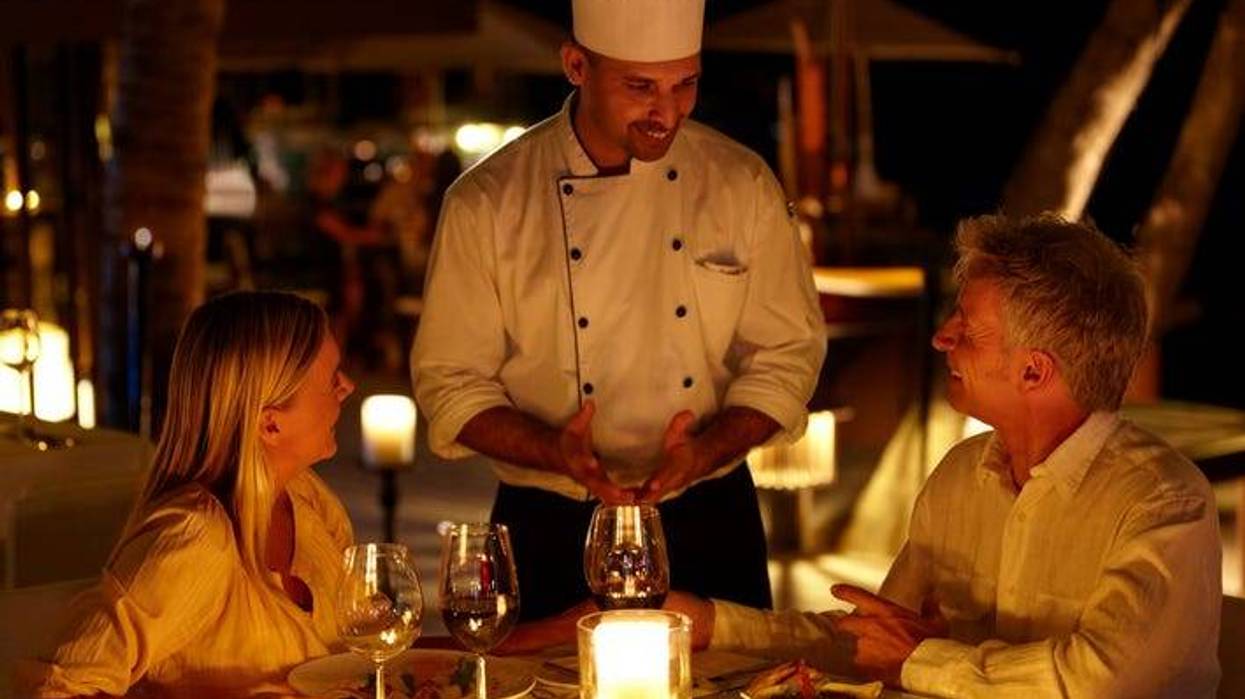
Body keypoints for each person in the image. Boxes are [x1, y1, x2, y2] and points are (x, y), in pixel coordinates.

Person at [501, 214, 1222, 698]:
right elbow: (873, 642)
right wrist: (713, 622)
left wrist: (920, 659)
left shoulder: (1159, 503)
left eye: (964, 328)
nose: (940, 339)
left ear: (1033, 371)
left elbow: (1094, 681)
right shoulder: (960, 477)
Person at [411, 0, 826, 621]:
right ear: (576, 65)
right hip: (548, 523)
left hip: (710, 517)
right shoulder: (487, 203)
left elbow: (788, 353)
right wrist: (557, 451)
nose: (668, 111)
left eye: (685, 83)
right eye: (640, 87)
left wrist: (706, 452)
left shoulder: (742, 183)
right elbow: (450, 382)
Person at [21, 291, 357, 697]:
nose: (348, 386)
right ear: (270, 425)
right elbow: (59, 688)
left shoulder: (309, 499)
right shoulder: (194, 538)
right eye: (330, 381)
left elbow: (360, 645)